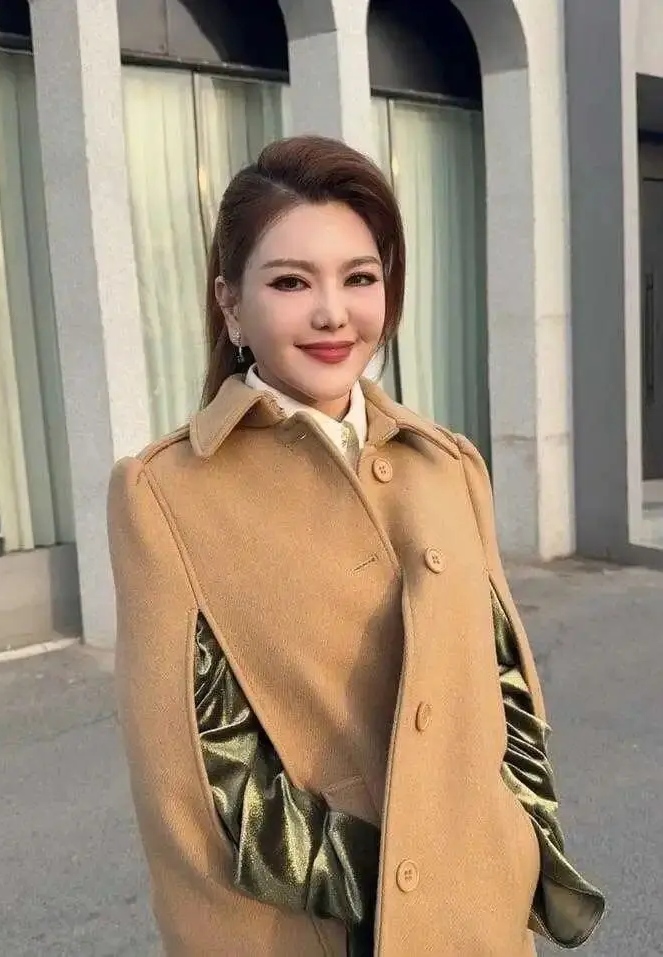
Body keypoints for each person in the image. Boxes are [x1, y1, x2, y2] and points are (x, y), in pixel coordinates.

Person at [107, 135, 605, 956]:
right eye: (291, 281)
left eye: (360, 277)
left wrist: (517, 842)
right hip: (318, 929)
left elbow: (506, 686)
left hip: (483, 918)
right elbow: (196, 778)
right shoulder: (166, 492)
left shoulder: (448, 464)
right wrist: (402, 879)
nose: (334, 313)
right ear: (231, 303)